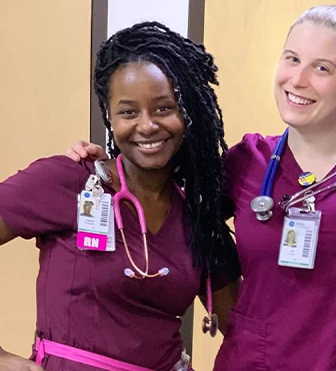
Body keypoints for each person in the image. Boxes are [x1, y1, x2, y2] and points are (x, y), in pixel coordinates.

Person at [66, 6, 336, 370]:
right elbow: (167, 210)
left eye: (322, 68)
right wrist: (105, 166)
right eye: (292, 59)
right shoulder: (248, 161)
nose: (298, 79)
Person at [0, 22, 239, 371]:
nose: (146, 126)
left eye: (163, 108)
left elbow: (244, 327)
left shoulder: (198, 216)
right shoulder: (69, 179)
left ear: (189, 114)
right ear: (110, 118)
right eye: (128, 112)